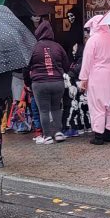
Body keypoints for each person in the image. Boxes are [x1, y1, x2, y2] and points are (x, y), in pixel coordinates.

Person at [78, 16, 110, 145]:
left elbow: (87, 61)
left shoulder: (92, 41)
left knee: (97, 105)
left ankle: (98, 135)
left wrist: (83, 78)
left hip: (97, 76)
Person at [28, 17, 71, 145]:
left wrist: (27, 82)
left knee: (44, 110)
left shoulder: (34, 47)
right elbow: (66, 64)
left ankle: (47, 136)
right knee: (56, 108)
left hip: (39, 83)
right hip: (57, 83)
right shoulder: (58, 47)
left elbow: (26, 67)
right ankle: (58, 133)